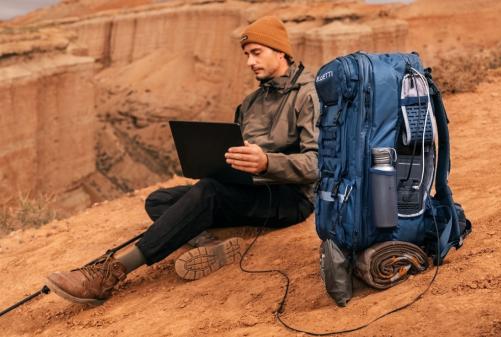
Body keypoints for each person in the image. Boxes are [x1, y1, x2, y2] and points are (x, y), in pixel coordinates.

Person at [45, 16, 320, 305]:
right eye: (246, 55)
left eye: (256, 53)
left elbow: (317, 165)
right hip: (252, 188)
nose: (250, 62)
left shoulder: (307, 96)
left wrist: (267, 162)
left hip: (291, 198)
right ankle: (212, 245)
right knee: (159, 200)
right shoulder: (252, 101)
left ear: (280, 51)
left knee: (208, 192)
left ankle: (111, 274)